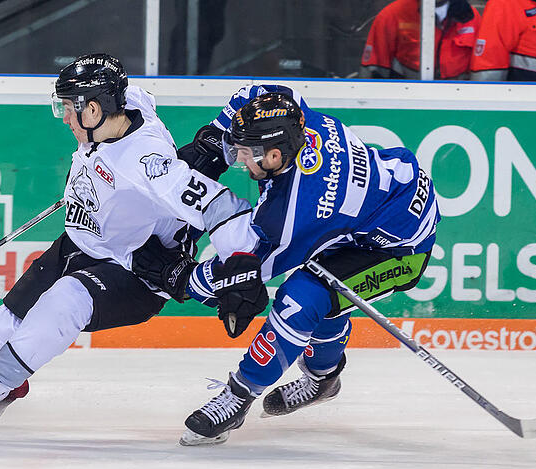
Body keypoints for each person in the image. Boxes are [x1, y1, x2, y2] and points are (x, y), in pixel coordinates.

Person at [0, 53, 257, 440]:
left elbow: (219, 205)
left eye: (68, 109)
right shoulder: (129, 102)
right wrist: (227, 121)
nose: (65, 118)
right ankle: (5, 389)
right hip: (79, 245)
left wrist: (241, 261)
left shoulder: (148, 163)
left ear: (94, 109)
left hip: (131, 270)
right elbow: (244, 93)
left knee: (64, 301)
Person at [176, 85, 440, 446]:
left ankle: (239, 395)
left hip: (399, 248)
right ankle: (323, 380)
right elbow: (260, 91)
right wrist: (219, 129)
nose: (239, 161)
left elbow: (241, 274)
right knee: (326, 300)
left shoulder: (293, 214)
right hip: (383, 205)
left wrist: (176, 277)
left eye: (245, 153)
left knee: (300, 300)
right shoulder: (299, 119)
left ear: (273, 155)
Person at [360, 0, 481, 80]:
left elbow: (480, 71)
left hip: (457, 101)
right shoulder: (393, 14)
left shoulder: (470, 16)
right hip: (406, 100)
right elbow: (373, 71)